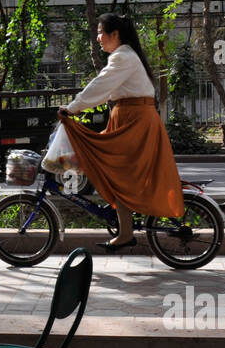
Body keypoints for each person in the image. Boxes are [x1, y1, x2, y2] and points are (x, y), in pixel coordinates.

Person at [56, 13, 183, 252]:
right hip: (129, 118)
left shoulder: (123, 57)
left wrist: (72, 108)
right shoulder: (124, 56)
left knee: (118, 173)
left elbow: (100, 86)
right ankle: (125, 232)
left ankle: (126, 231)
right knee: (117, 175)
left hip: (134, 121)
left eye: (102, 32)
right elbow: (104, 87)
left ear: (115, 34)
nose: (98, 37)